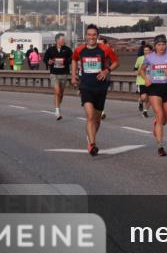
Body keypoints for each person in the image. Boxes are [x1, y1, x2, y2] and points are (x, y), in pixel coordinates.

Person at [71, 24, 120, 156]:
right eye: (89, 35)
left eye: (94, 35)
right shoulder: (79, 49)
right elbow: (74, 60)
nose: (91, 37)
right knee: (90, 116)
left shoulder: (105, 49)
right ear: (85, 36)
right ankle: (92, 145)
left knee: (97, 119)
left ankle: (91, 137)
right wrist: (73, 75)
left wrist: (106, 71)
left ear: (97, 36)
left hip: (101, 87)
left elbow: (116, 62)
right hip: (86, 86)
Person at [139, 34, 167, 156]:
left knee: (164, 120)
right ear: (155, 46)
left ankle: (157, 124)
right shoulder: (149, 57)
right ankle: (160, 147)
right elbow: (141, 70)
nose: (161, 47)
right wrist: (145, 79)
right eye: (159, 44)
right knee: (159, 114)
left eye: (163, 44)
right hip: (154, 88)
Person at [43, 34, 73, 120]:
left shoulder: (67, 49)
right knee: (57, 91)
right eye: (62, 39)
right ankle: (57, 112)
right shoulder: (50, 49)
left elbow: (72, 59)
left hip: (64, 74)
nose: (64, 41)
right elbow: (45, 59)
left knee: (61, 93)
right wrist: (49, 62)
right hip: (54, 74)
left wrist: (65, 62)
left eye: (64, 39)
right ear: (57, 40)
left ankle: (57, 107)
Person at [134, 44, 151, 117]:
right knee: (144, 97)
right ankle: (140, 102)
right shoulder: (140, 58)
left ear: (151, 51)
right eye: (145, 50)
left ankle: (145, 111)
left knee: (150, 97)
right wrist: (137, 72)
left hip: (151, 81)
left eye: (148, 50)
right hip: (141, 81)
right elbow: (135, 68)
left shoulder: (154, 59)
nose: (146, 51)